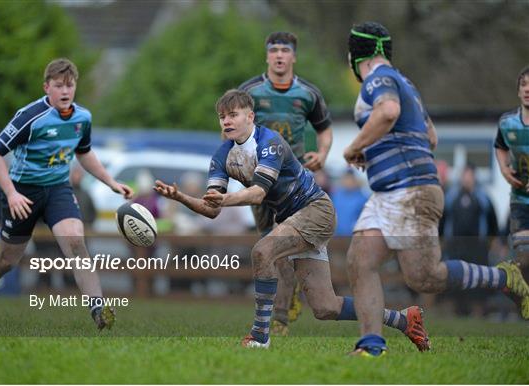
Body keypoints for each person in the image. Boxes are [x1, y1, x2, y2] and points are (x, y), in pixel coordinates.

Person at [155, 89, 431, 351]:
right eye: (222, 116)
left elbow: (258, 193)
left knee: (262, 251)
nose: (226, 121)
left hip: (316, 211)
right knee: (325, 307)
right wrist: (180, 197)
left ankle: (260, 337)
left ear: (250, 116)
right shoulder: (222, 156)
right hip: (294, 219)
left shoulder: (270, 142)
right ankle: (404, 319)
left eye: (233, 114)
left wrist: (225, 200)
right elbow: (212, 208)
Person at [343, 22, 529, 357]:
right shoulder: (407, 84)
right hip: (390, 192)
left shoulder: (377, 78)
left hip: (410, 191)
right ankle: (371, 345)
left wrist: (354, 146)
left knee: (425, 277)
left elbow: (388, 112)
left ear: (356, 56)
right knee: (360, 259)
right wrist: (382, 151)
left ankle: (503, 278)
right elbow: (430, 137)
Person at [0, 58, 133, 330]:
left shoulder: (83, 118)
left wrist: (111, 182)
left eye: (70, 85)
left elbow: (84, 153)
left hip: (58, 189)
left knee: (76, 243)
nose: (65, 91)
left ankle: (98, 310)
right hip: (23, 192)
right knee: (7, 261)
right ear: (47, 88)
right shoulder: (30, 117)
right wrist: (11, 194)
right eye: (58, 86)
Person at [239, 32, 334, 334]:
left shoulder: (308, 93)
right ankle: (286, 298)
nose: (279, 55)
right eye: (274, 50)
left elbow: (324, 130)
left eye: (285, 50)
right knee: (271, 246)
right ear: (266, 56)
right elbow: (231, 130)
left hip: (295, 182)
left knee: (280, 246)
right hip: (262, 183)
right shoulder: (250, 91)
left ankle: (279, 317)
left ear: (294, 56)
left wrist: (322, 153)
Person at [443, 163, 499, 316]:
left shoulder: (483, 197)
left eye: (469, 175)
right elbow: (442, 220)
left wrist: (492, 241)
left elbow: (493, 222)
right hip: (455, 246)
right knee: (456, 276)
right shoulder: (451, 196)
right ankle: (456, 310)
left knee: (477, 277)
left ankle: (477, 310)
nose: (467, 178)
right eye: (464, 175)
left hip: (477, 246)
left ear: (474, 177)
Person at [495, 65, 529, 311]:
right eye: (524, 85)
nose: (528, 89)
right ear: (518, 91)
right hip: (520, 200)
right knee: (523, 257)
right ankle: (517, 292)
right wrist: (505, 170)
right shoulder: (507, 123)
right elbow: (499, 146)